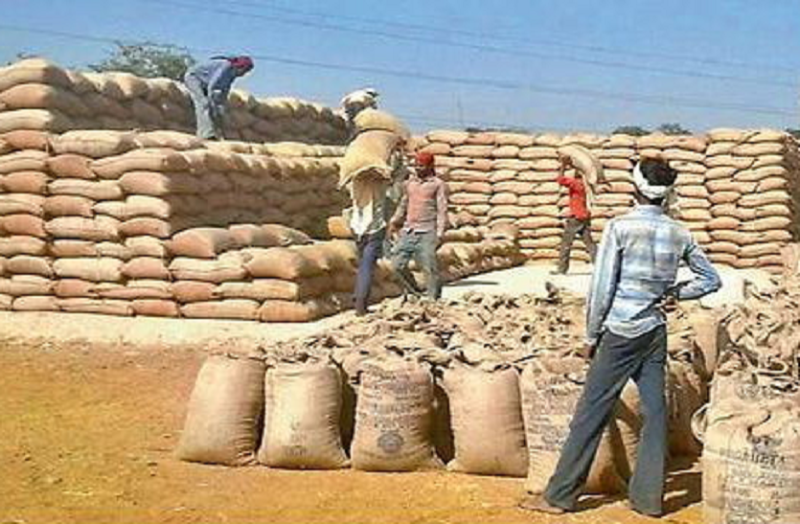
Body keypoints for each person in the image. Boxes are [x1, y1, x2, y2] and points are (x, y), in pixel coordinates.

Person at [521, 158, 721, 517]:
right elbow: (711, 279)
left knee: (591, 412)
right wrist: (675, 293)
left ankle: (560, 495)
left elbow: (602, 288)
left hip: (621, 331)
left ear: (635, 189)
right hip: (655, 331)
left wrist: (591, 334)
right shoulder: (680, 233)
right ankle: (648, 500)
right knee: (656, 413)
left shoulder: (620, 227)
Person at [389, 151, 448, 300]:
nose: (418, 168)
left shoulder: (437, 185)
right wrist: (394, 221)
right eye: (416, 165)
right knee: (396, 265)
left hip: (427, 232)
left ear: (430, 166)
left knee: (429, 268)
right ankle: (415, 291)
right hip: (408, 231)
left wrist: (440, 233)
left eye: (421, 165)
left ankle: (433, 299)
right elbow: (403, 204)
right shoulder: (410, 183)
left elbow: (442, 209)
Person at [183, 56, 254, 139]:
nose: (244, 74)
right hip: (193, 78)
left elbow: (225, 89)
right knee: (204, 104)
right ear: (240, 67)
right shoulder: (226, 67)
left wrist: (222, 104)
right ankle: (205, 134)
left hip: (204, 83)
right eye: (244, 71)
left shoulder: (233, 74)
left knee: (218, 109)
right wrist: (211, 100)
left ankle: (217, 133)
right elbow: (212, 85)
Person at [552, 154, 597, 274]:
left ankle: (562, 269)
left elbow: (560, 180)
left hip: (575, 217)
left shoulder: (576, 184)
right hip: (585, 216)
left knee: (566, 244)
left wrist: (563, 165)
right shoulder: (587, 185)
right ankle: (599, 265)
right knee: (590, 244)